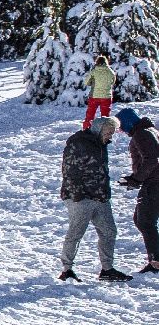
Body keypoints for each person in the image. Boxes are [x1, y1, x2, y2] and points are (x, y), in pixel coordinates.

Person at [58, 116, 130, 281]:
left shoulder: (101, 145)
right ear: (99, 129)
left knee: (109, 231)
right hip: (81, 198)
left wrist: (105, 193)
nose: (110, 136)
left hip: (100, 197)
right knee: (76, 233)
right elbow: (70, 170)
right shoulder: (78, 143)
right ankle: (67, 269)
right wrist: (78, 195)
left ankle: (107, 268)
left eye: (112, 133)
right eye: (109, 132)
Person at [115, 107, 159, 274]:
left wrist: (136, 179)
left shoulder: (141, 134)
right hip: (152, 182)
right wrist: (135, 179)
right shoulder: (149, 131)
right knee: (141, 220)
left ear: (127, 122)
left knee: (145, 221)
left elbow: (152, 160)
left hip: (153, 184)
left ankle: (156, 262)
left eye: (121, 126)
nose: (121, 130)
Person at [84, 55, 116, 128]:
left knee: (90, 115)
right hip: (107, 97)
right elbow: (113, 82)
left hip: (94, 96)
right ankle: (104, 132)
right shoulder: (111, 72)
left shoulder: (94, 71)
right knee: (105, 117)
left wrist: (92, 82)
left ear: (97, 62)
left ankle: (86, 130)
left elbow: (86, 82)